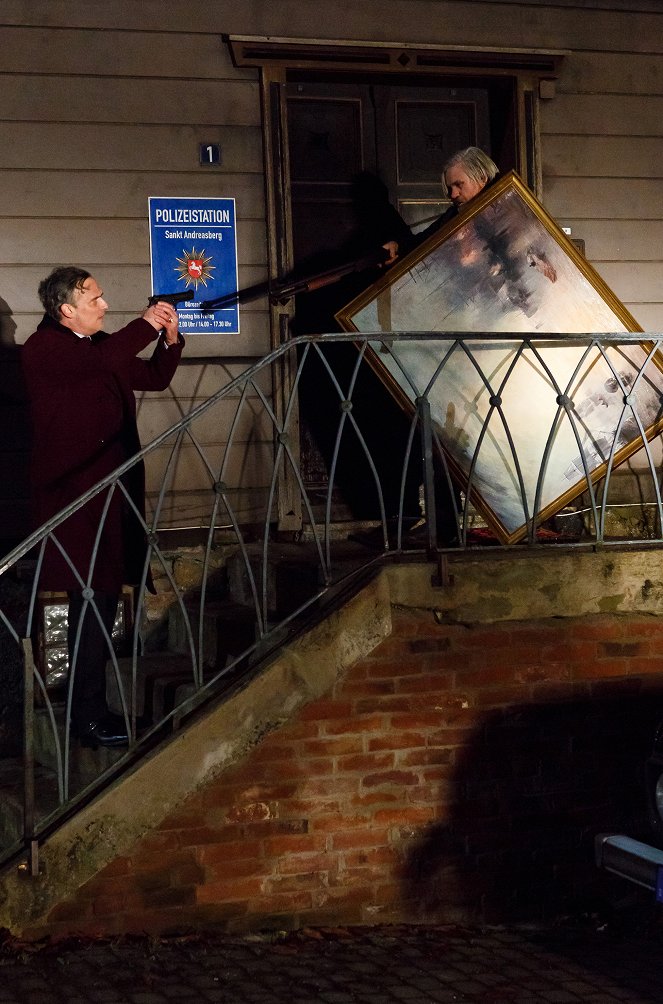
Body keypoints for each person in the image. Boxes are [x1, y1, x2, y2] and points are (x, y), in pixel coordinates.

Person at [22, 267, 184, 748]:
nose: (104, 305)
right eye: (95, 298)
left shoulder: (99, 347)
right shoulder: (44, 348)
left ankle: (89, 707)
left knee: (104, 596)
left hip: (111, 495)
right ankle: (85, 712)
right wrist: (146, 324)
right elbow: (103, 360)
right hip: (76, 498)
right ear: (66, 309)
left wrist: (169, 340)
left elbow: (151, 377)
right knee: (90, 597)